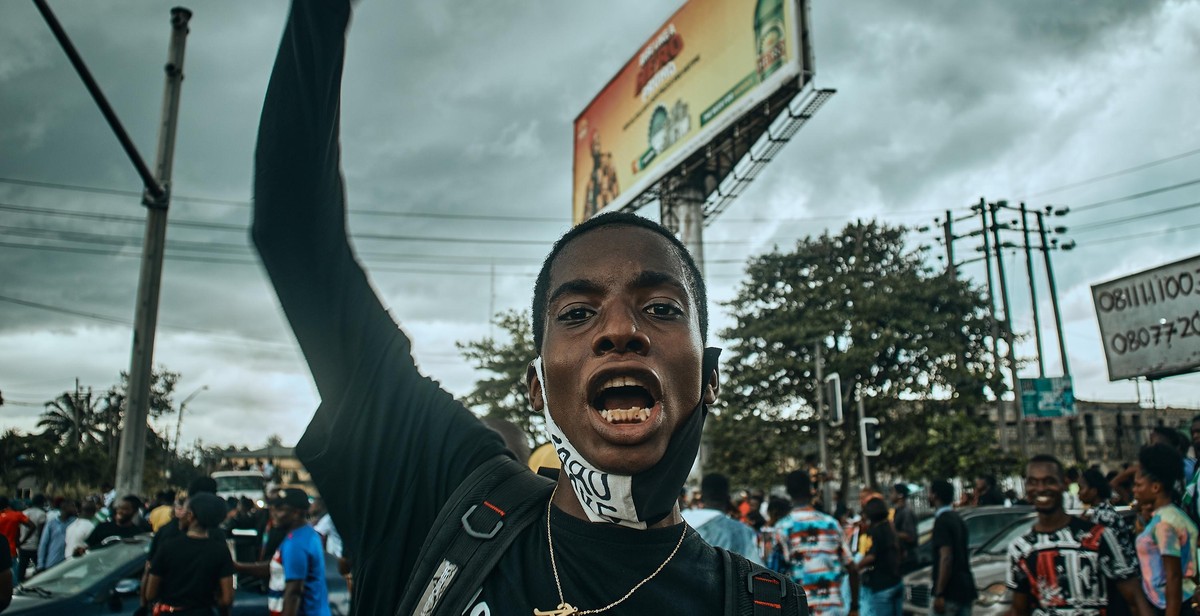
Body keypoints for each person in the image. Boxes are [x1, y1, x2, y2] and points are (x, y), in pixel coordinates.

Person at [251, 1, 806, 614]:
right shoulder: (446, 499)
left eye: (661, 308)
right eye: (576, 314)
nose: (620, 329)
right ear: (536, 386)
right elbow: (294, 233)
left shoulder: (763, 604)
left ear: (710, 377)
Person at [1007, 454, 1148, 616]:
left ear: (1063, 485)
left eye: (1049, 481)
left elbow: (1135, 600)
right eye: (1033, 482)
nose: (1040, 488)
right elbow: (1019, 609)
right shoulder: (1020, 548)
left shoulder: (1097, 537)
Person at [773, 470, 858, 616]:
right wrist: (854, 606)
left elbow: (774, 575)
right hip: (834, 610)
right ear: (811, 490)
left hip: (801, 609)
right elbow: (852, 567)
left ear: (788, 493)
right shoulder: (831, 524)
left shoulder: (783, 528)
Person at [235, 489, 329, 616]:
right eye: (272, 508)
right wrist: (238, 567)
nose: (273, 514)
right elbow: (279, 567)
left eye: (279, 509)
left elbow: (293, 593)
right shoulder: (303, 534)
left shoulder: (296, 544)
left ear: (296, 513)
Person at [1133, 443, 1198, 616]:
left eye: (1139, 485)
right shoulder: (1173, 515)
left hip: (1171, 605)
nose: (1135, 491)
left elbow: (1173, 576)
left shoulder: (1164, 523)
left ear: (1155, 487)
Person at [145, 493, 235, 615]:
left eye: (184, 511)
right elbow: (227, 599)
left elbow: (150, 594)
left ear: (190, 516)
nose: (180, 515)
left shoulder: (168, 547)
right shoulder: (220, 551)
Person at [1079, 467, 1138, 616]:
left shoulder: (1101, 517)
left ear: (1093, 491)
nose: (1079, 493)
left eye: (1082, 488)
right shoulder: (1105, 512)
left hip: (1116, 582)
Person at [681, 473, 762, 564]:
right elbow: (755, 566)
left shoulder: (681, 520)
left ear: (702, 498)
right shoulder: (741, 531)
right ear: (728, 499)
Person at [927, 479, 975, 616]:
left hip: (949, 593)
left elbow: (946, 557)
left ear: (935, 495)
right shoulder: (957, 518)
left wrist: (939, 592)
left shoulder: (941, 521)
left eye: (930, 493)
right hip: (965, 589)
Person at [858, 497, 902, 616]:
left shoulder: (876, 531)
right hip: (896, 580)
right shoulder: (890, 527)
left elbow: (872, 556)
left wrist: (856, 567)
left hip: (882, 584)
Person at [36, 498, 76, 571]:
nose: (75, 509)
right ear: (65, 508)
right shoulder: (51, 524)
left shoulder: (75, 522)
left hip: (70, 564)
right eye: (72, 506)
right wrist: (40, 564)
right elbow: (43, 544)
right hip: (53, 563)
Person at [0, 497, 33, 582]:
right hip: (10, 550)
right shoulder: (17, 515)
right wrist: (23, 541)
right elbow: (32, 526)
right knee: (13, 579)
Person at [17, 494, 47, 582]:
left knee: (21, 569)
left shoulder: (24, 512)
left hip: (23, 545)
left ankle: (19, 586)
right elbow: (42, 532)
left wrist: (20, 542)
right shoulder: (41, 514)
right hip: (36, 546)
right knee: (40, 568)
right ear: (42, 502)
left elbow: (19, 529)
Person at [890, 484, 919, 573]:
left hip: (908, 559)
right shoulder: (897, 511)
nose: (890, 495)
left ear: (900, 495)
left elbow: (910, 536)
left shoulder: (906, 512)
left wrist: (891, 531)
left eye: (893, 492)